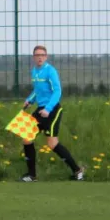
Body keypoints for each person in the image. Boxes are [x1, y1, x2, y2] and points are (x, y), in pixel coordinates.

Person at [19, 45, 84, 182]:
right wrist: (29, 101)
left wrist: (48, 109)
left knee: (52, 143)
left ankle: (78, 171)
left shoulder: (50, 71)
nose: (40, 57)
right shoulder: (34, 72)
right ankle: (32, 175)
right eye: (37, 55)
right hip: (40, 109)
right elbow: (37, 91)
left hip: (53, 110)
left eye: (42, 55)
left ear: (46, 57)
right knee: (26, 137)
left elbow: (57, 91)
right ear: (33, 58)